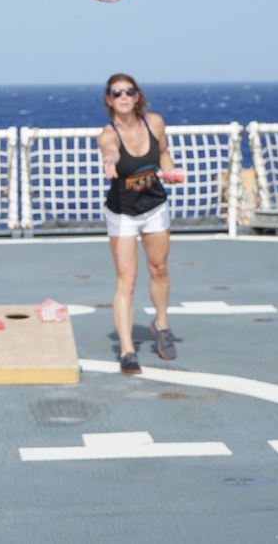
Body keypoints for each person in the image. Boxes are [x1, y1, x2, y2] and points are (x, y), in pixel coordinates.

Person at [97, 74, 179, 375]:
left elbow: (164, 154)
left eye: (128, 91)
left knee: (159, 268)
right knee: (127, 279)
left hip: (155, 206)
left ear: (137, 96)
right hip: (122, 213)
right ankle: (128, 350)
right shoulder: (108, 135)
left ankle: (161, 325)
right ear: (109, 99)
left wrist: (170, 172)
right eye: (116, 92)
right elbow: (110, 151)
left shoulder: (154, 123)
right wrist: (109, 162)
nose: (123, 96)